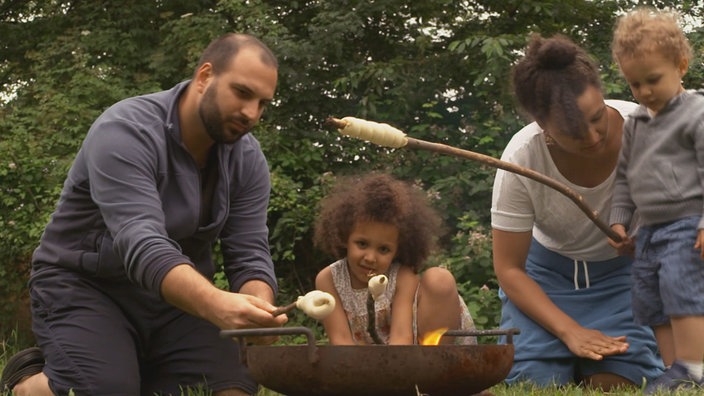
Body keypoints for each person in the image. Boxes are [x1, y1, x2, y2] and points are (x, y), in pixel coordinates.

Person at [0, 33, 288, 396]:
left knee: (235, 386)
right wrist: (217, 303)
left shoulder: (248, 160)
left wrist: (257, 308)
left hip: (175, 303)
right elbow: (143, 244)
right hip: (86, 286)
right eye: (242, 93)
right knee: (107, 388)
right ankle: (30, 383)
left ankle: (137, 367)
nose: (251, 113)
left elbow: (249, 252)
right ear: (204, 77)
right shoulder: (125, 130)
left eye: (263, 103)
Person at [490, 33, 664, 390]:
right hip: (543, 282)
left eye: (597, 117)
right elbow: (509, 268)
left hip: (623, 281)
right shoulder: (522, 158)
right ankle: (547, 350)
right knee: (537, 383)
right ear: (543, 126)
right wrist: (571, 332)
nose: (593, 136)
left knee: (618, 380)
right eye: (573, 130)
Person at [609, 7, 704, 394]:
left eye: (653, 80)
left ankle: (694, 368)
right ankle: (673, 371)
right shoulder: (636, 122)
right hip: (648, 230)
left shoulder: (696, 113)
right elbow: (625, 177)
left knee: (681, 290)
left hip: (687, 223)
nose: (645, 92)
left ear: (681, 66)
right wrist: (619, 220)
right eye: (635, 84)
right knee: (652, 299)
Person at [313, 173, 476, 346]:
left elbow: (401, 338)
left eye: (383, 249)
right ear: (345, 237)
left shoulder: (401, 277)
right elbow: (340, 341)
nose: (370, 258)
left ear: (397, 250)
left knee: (439, 278)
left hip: (411, 354)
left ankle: (439, 365)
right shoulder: (328, 279)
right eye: (362, 244)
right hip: (362, 364)